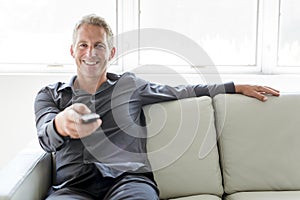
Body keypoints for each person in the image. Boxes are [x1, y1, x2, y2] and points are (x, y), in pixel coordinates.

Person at [34, 14, 280, 200]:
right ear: (72, 51)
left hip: (127, 182)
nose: (91, 52)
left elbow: (183, 91)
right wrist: (61, 124)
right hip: (73, 187)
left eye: (99, 45)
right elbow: (45, 136)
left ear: (111, 52)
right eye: (83, 45)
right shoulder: (51, 95)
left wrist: (234, 86)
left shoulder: (130, 85)